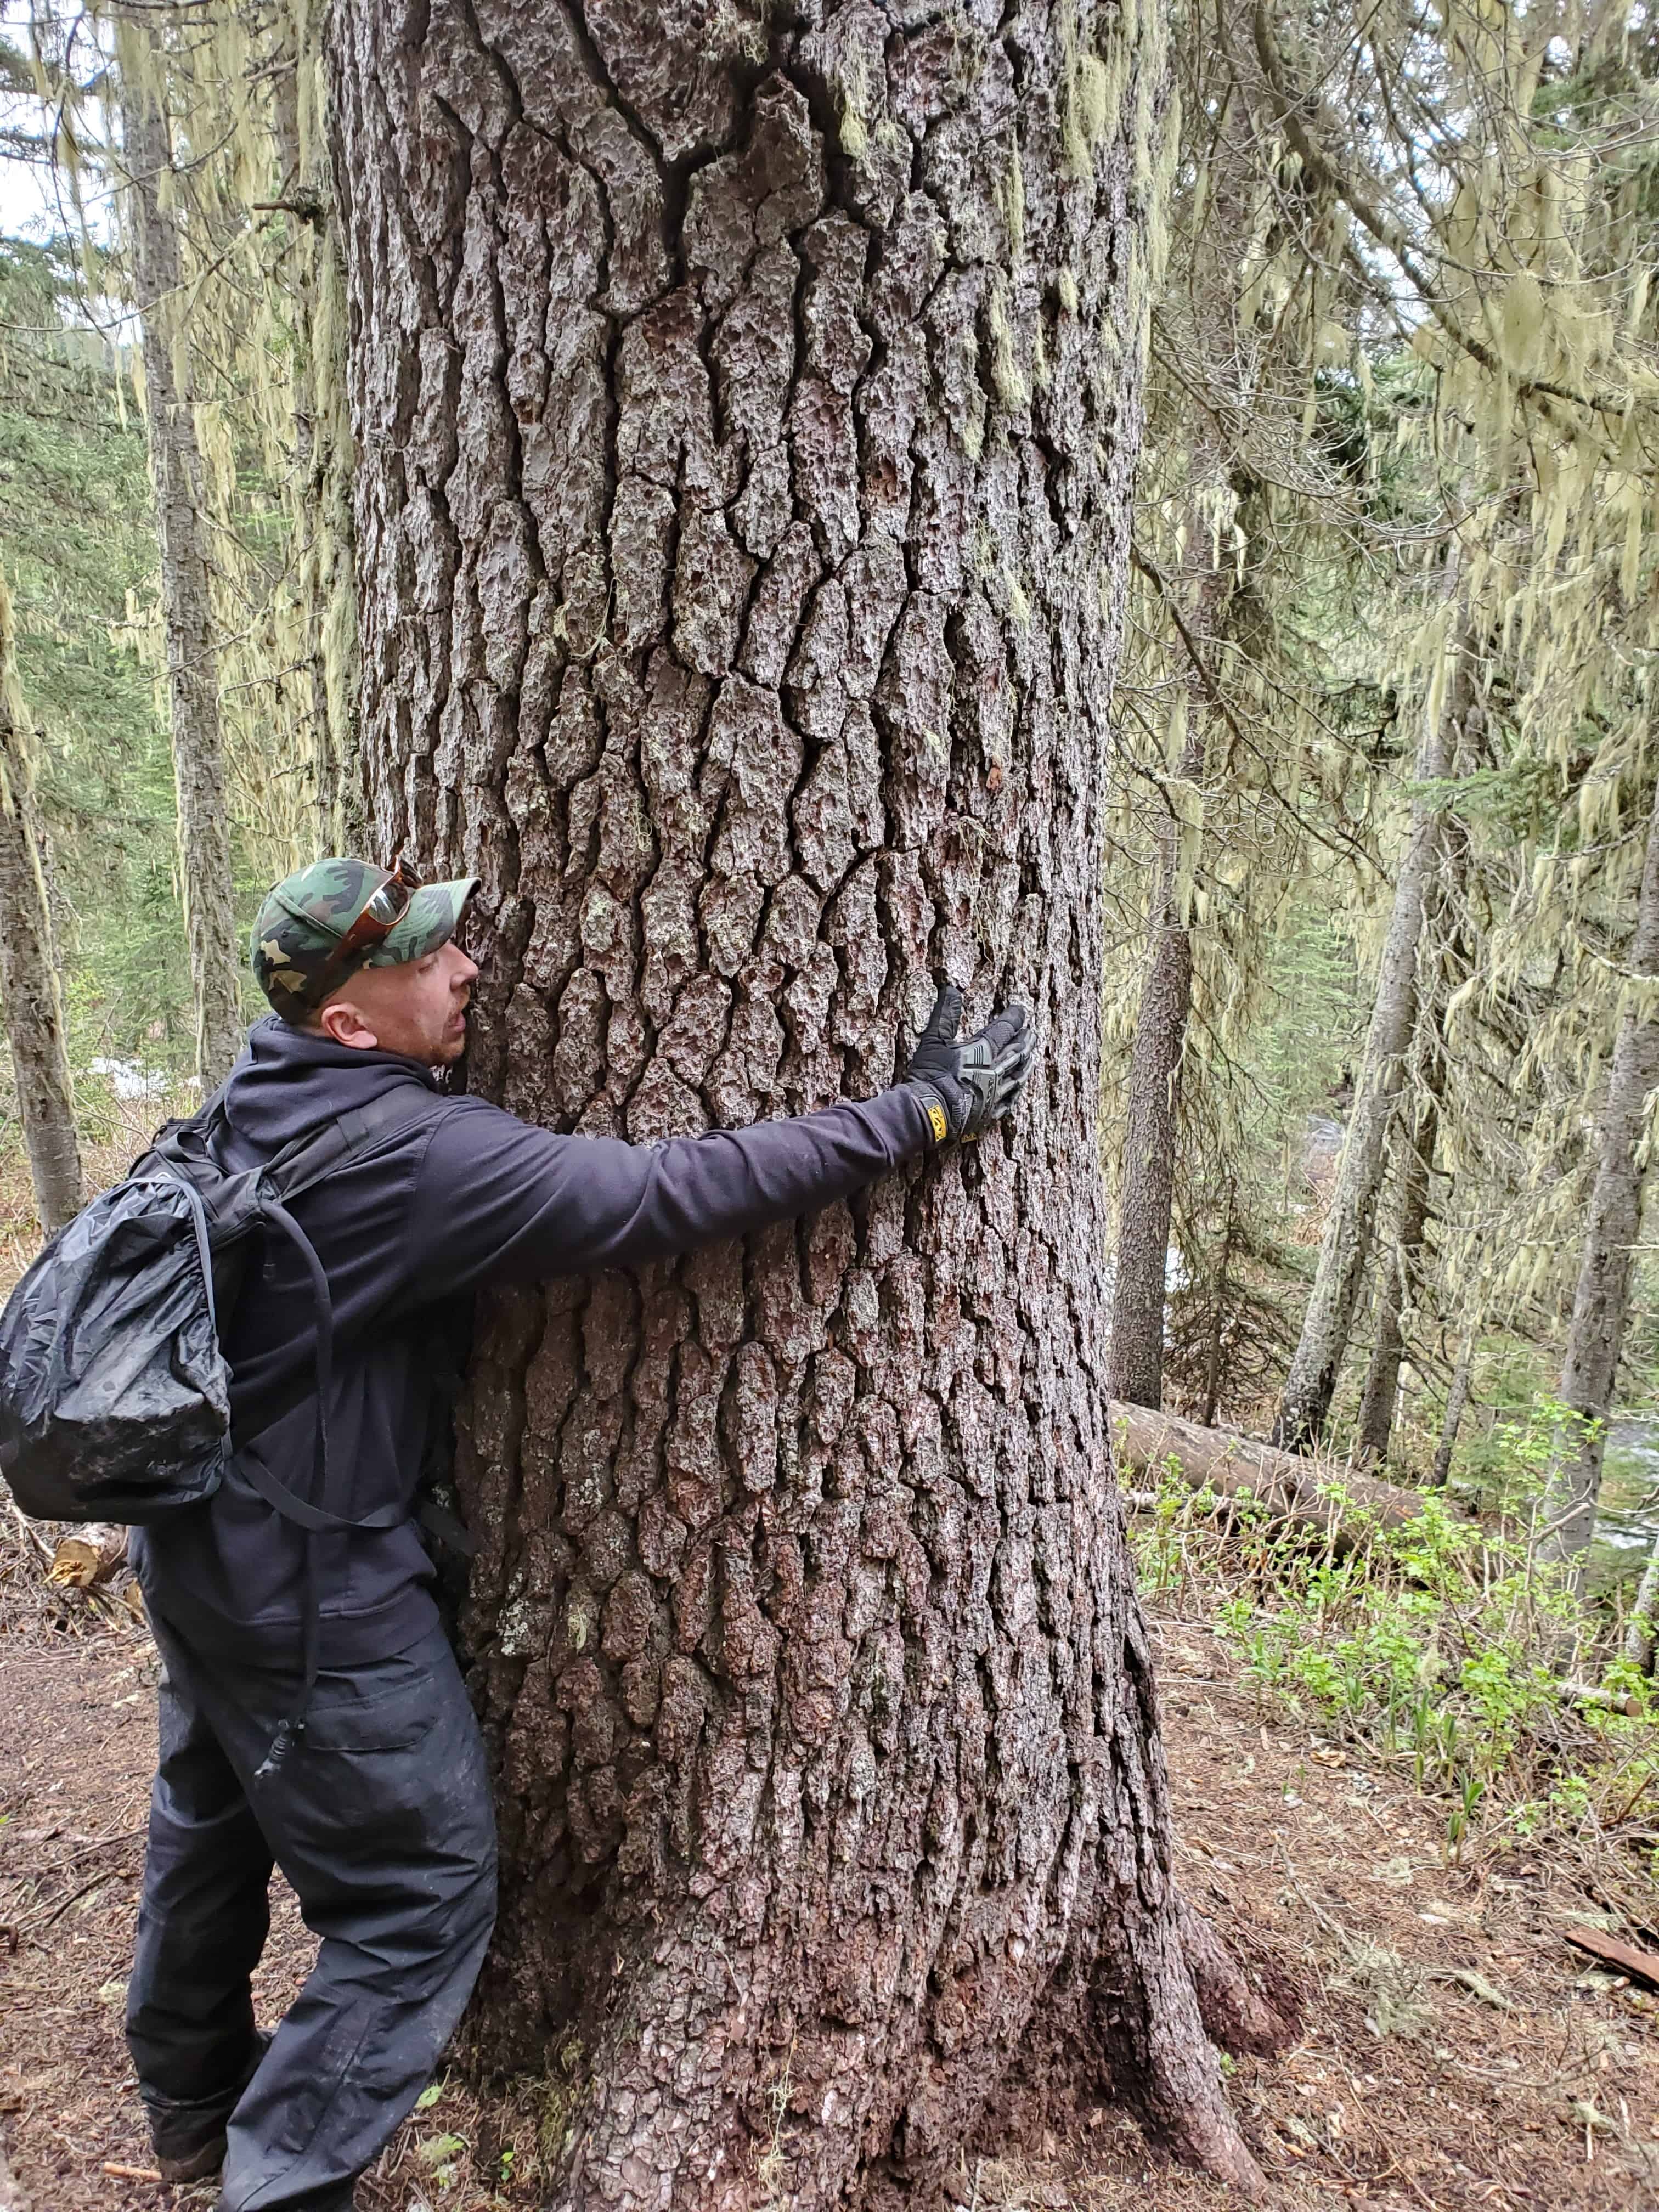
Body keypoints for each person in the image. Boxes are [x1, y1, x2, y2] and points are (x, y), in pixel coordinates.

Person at [125, 856, 1035, 2211]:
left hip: (195, 1544)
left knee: (210, 1814)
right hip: (311, 1593)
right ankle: (281, 2187)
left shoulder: (259, 1091)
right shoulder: (420, 1158)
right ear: (351, 1023)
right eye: (429, 960)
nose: (469, 968)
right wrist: (917, 1113)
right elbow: (669, 1192)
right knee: (420, 1899)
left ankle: (193, 2105)